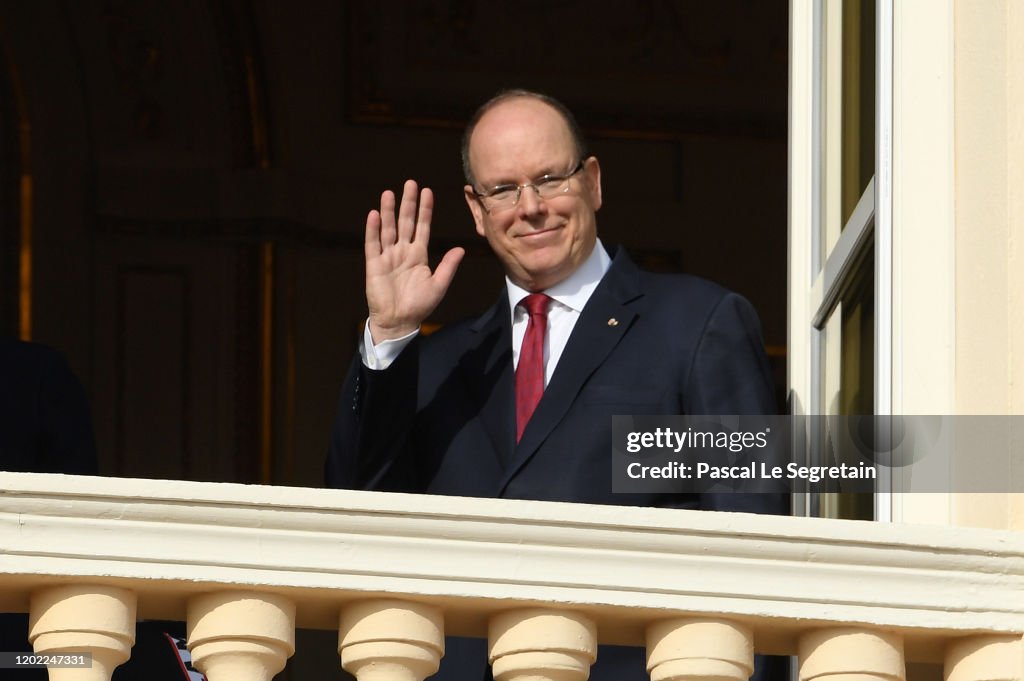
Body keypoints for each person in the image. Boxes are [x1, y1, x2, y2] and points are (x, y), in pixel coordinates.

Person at [327, 90, 788, 681]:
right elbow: (355, 514)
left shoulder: (697, 324)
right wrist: (390, 333)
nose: (531, 207)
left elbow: (755, 550)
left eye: (550, 179)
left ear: (592, 181)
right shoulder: (436, 362)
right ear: (476, 208)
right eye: (503, 190)